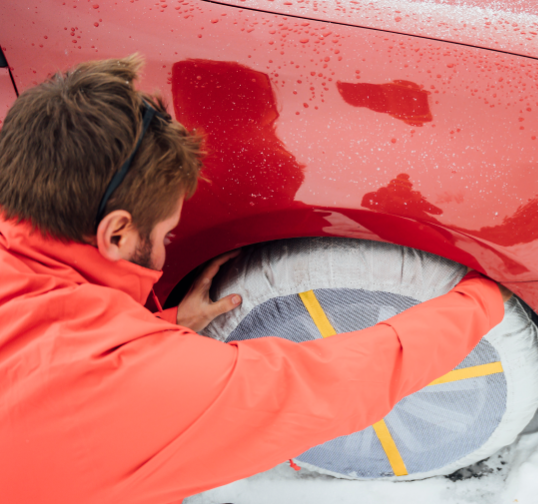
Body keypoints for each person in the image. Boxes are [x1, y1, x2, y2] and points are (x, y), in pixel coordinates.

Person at [0, 55, 510, 504]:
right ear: (115, 233)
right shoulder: (123, 394)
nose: (164, 250)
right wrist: (482, 301)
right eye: (166, 235)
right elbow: (334, 387)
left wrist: (163, 323)